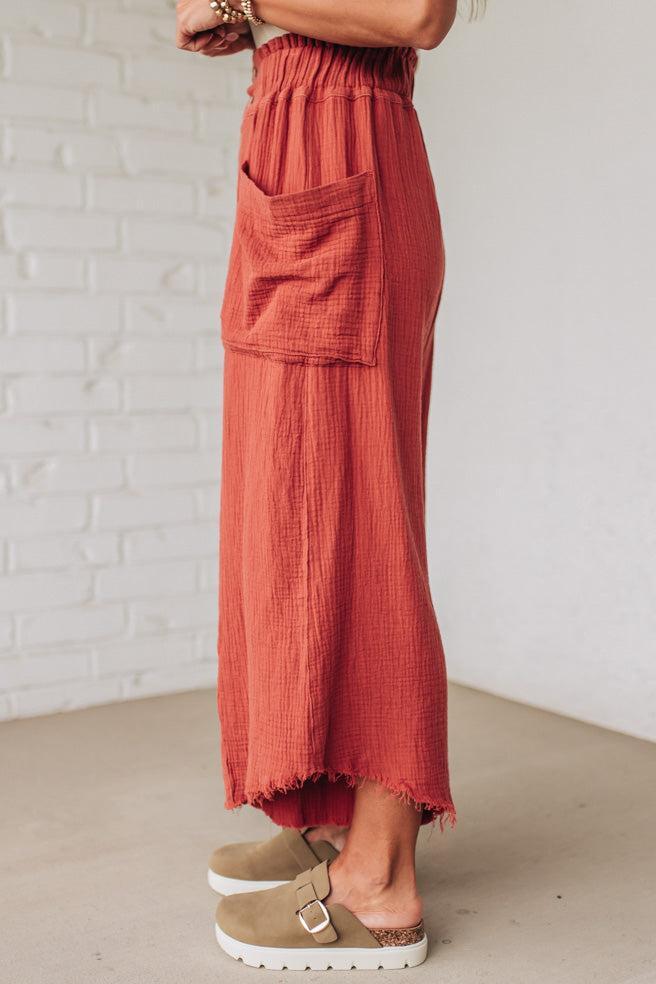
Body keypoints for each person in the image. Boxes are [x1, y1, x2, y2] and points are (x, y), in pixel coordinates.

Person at [176, 0, 482, 970]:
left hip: (344, 156)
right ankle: (338, 818)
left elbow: (415, 11)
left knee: (360, 524)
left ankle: (379, 880)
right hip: (300, 158)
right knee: (288, 516)